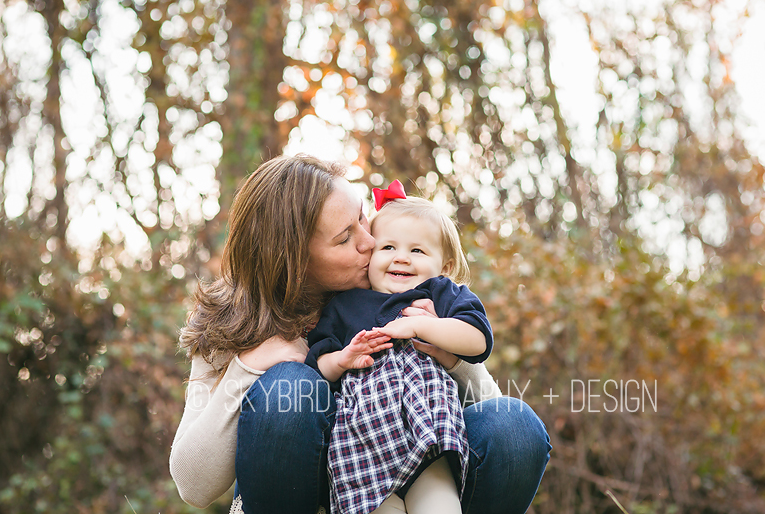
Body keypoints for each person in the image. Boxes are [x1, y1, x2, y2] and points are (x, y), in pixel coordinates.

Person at [169, 154, 550, 514]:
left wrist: (444, 350)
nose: (370, 242)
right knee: (291, 386)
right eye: (344, 238)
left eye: (363, 221)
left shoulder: (396, 285)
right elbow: (194, 485)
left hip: (425, 470)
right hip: (325, 486)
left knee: (515, 424)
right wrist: (247, 368)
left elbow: (490, 408)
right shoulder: (233, 319)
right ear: (295, 260)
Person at [306, 181, 493, 514]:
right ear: (370, 255)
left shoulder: (439, 294)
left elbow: (478, 340)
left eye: (417, 251)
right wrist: (344, 358)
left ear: (445, 267)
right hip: (362, 450)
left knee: (441, 506)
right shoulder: (345, 304)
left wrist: (424, 326)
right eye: (388, 247)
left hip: (429, 437)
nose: (402, 258)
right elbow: (317, 365)